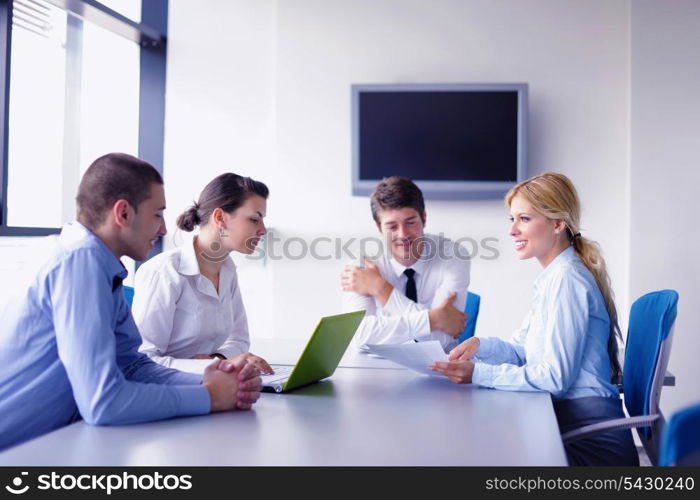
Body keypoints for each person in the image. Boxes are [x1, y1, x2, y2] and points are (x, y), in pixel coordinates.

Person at [0, 153, 262, 452]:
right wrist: (210, 398)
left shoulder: (101, 266)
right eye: (157, 214)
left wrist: (211, 379)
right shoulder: (80, 261)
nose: (164, 229)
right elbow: (103, 402)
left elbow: (133, 366)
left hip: (51, 444)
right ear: (123, 213)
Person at [430, 172, 638, 466]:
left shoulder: (567, 279)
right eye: (511, 219)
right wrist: (479, 345)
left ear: (557, 223)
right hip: (569, 423)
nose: (512, 230)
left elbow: (554, 378)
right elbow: (522, 351)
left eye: (524, 219)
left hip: (590, 442)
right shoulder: (554, 277)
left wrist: (478, 374)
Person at [132, 173, 273, 375]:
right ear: (220, 218)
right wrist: (215, 366)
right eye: (254, 219)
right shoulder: (165, 272)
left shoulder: (227, 269)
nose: (263, 230)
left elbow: (239, 339)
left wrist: (219, 360)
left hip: (209, 386)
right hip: (170, 394)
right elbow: (144, 361)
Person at [341, 176, 470, 352]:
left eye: (410, 223)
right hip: (379, 368)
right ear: (379, 228)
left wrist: (381, 288)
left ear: (424, 218)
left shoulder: (453, 255)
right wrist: (433, 320)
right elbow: (359, 337)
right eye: (392, 226)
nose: (403, 234)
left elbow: (440, 340)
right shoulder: (362, 264)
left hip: (440, 368)